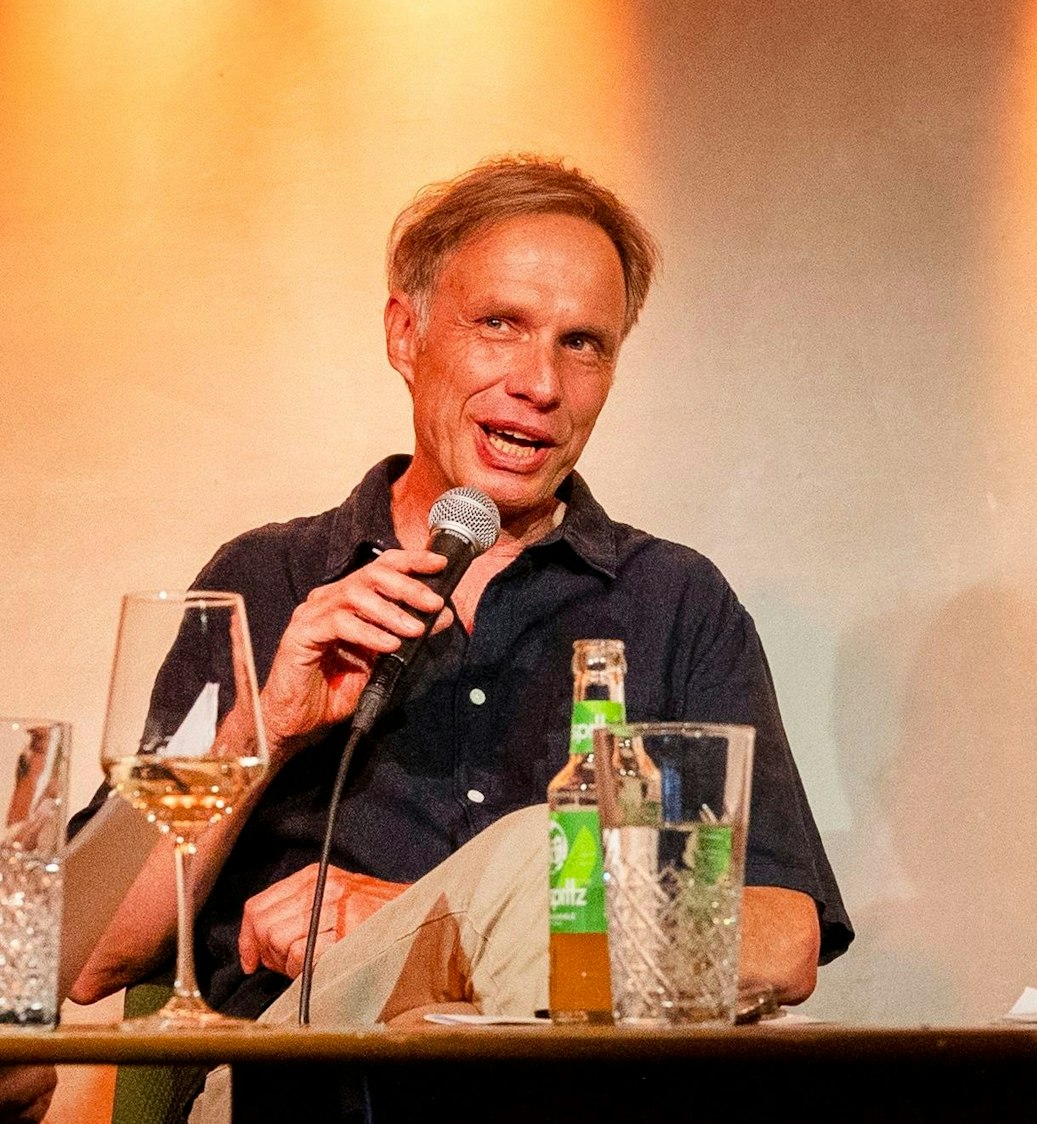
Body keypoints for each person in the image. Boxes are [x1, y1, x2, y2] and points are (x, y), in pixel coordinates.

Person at [68, 157, 850, 1038]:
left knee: (534, 855)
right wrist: (262, 733)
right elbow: (93, 957)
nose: (541, 384)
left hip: (583, 1098)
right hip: (326, 1087)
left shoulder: (675, 602)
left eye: (582, 343)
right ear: (406, 334)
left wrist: (419, 926)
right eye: (500, 324)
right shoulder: (266, 581)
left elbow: (783, 942)